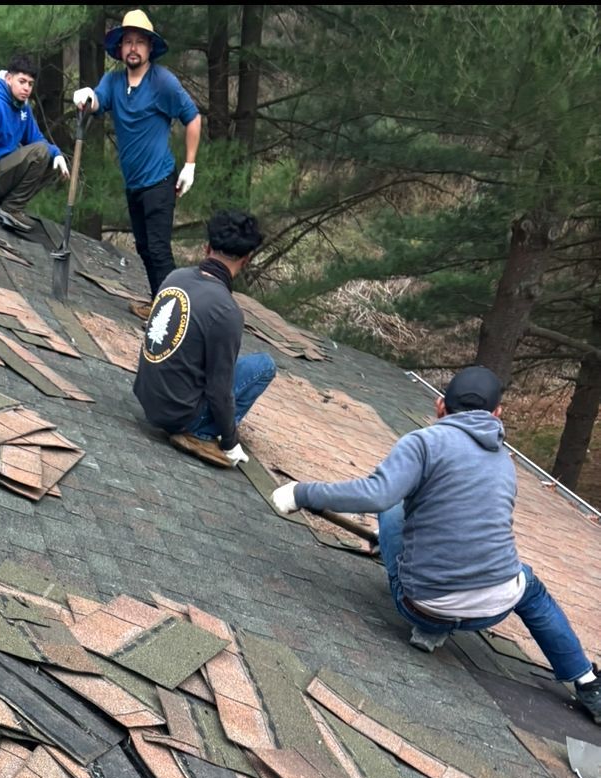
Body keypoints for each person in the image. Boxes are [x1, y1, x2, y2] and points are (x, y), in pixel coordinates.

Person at [272, 366, 601, 722]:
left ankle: (432, 628)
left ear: (440, 404)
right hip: (497, 605)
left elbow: (378, 494)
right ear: (497, 414)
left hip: (422, 603)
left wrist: (301, 492)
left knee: (395, 502)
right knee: (532, 589)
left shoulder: (424, 442)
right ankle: (588, 684)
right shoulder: (505, 462)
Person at [73, 9, 201, 316]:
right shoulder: (114, 81)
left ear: (149, 49)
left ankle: (175, 318)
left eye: (140, 42)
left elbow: (193, 117)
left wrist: (190, 165)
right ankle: (161, 306)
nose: (133, 48)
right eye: (128, 42)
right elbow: (97, 102)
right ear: (120, 48)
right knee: (144, 248)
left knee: (158, 249)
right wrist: (87, 96)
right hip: (134, 184)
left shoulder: (163, 82)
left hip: (159, 180)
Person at [133, 209, 273, 469]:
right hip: (180, 416)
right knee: (263, 365)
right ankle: (202, 433)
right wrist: (230, 443)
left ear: (206, 247)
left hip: (147, 398)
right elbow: (219, 391)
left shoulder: (176, 276)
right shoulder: (226, 311)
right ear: (246, 259)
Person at [0, 56, 68, 229]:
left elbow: (36, 138)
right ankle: (11, 209)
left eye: (30, 84)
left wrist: (56, 153)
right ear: (9, 79)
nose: (26, 88)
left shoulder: (22, 108)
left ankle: (11, 204)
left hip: (5, 176)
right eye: (22, 81)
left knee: (51, 159)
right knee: (41, 152)